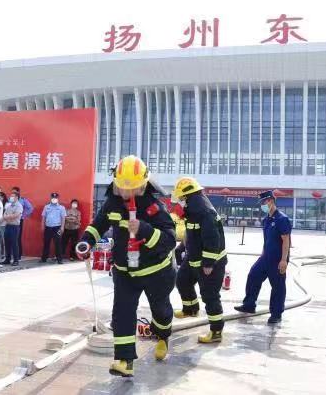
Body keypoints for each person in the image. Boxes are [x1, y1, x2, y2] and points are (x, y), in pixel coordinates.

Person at [77, 155, 176, 378]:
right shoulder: (112, 202)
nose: (126, 193)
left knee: (161, 311)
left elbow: (170, 240)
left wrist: (144, 229)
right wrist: (86, 242)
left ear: (143, 185)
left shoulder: (154, 207)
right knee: (122, 313)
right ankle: (125, 360)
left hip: (156, 272)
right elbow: (98, 225)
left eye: (132, 189)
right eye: (122, 188)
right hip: (124, 272)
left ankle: (163, 336)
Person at [172, 177, 227, 343]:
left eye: (181, 198)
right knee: (182, 280)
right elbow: (192, 232)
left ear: (188, 196)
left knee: (210, 296)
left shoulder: (204, 211)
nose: (180, 201)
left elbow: (212, 239)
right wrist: (182, 247)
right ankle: (191, 309)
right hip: (193, 258)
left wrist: (209, 263)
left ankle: (216, 332)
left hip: (210, 263)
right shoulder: (193, 210)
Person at [234, 190, 291, 325]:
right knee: (253, 275)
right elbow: (267, 240)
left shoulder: (282, 219)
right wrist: (263, 254)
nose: (262, 205)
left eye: (263, 202)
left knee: (277, 286)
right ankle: (249, 305)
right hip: (266, 257)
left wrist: (284, 260)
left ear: (271, 201)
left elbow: (286, 240)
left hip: (277, 259)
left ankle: (276, 314)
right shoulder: (266, 220)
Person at [41, 193, 66, 264]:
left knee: (58, 244)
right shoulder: (46, 207)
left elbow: (63, 218)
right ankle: (44, 258)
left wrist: (62, 227)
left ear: (58, 199)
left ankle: (59, 259)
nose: (54, 199)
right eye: (53, 198)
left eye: (55, 198)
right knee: (46, 243)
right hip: (48, 227)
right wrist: (42, 225)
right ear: (51, 198)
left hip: (57, 228)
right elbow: (44, 217)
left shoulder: (61, 207)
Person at [11, 187, 34, 259]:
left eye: (15, 192)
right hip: (10, 220)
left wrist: (23, 215)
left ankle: (18, 254)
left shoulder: (23, 200)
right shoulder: (10, 199)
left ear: (18, 192)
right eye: (12, 192)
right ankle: (11, 254)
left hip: (19, 220)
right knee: (10, 237)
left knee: (17, 237)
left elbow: (30, 208)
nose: (13, 194)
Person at [3, 190, 23, 265]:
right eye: (10, 196)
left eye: (12, 196)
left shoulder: (19, 206)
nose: (10, 197)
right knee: (7, 243)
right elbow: (4, 214)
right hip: (7, 226)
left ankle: (16, 260)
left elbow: (16, 215)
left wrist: (7, 217)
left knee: (14, 243)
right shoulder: (9, 206)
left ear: (17, 197)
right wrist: (8, 217)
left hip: (14, 226)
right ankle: (7, 259)